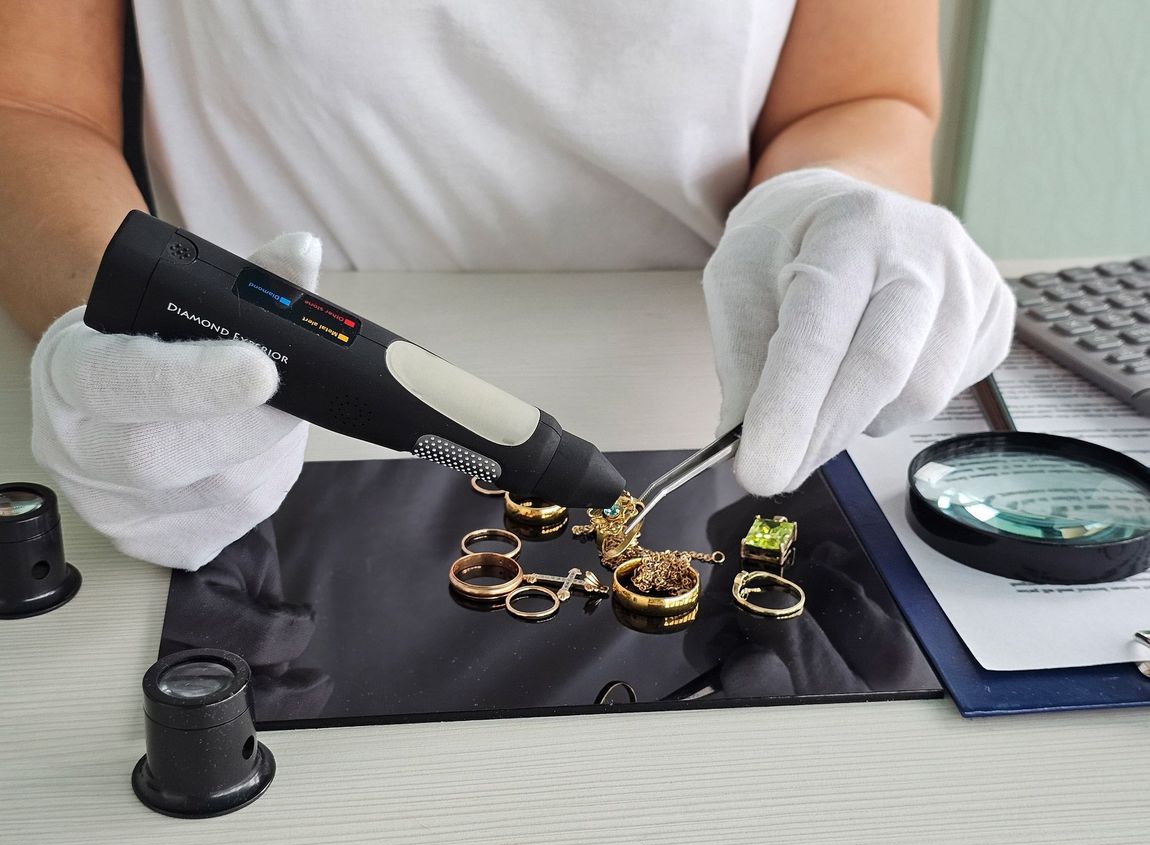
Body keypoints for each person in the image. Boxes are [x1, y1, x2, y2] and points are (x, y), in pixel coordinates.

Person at [0, 1, 1013, 570]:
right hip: (246, 444)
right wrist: (106, 331)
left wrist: (836, 206)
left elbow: (858, 92)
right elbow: (30, 104)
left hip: (693, 376)